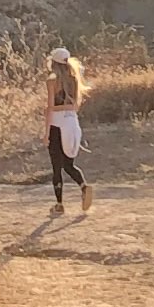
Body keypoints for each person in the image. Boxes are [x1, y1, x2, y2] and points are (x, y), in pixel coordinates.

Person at [42, 46, 93, 214]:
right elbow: (75, 106)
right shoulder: (74, 79)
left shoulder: (51, 81)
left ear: (53, 63)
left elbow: (50, 107)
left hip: (57, 125)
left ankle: (59, 204)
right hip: (72, 123)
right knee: (69, 164)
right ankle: (84, 186)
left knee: (57, 167)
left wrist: (46, 133)